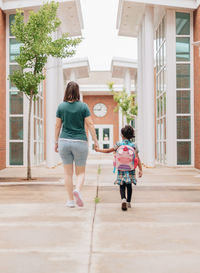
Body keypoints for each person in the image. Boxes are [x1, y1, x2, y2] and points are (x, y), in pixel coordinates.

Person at [55, 81, 99, 208]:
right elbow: (90, 124)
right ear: (77, 91)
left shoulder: (61, 107)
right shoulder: (83, 107)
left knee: (68, 174)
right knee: (81, 172)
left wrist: (56, 142)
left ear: (66, 91)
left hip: (64, 141)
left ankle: (70, 201)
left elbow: (57, 125)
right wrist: (95, 142)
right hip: (80, 142)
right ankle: (77, 190)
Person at [95, 125, 142, 211]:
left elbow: (108, 151)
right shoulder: (134, 145)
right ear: (132, 135)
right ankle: (128, 202)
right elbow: (137, 158)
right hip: (131, 168)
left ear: (122, 135)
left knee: (121, 185)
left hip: (121, 168)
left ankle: (123, 199)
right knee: (129, 185)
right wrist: (141, 170)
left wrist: (98, 150)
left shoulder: (119, 144)